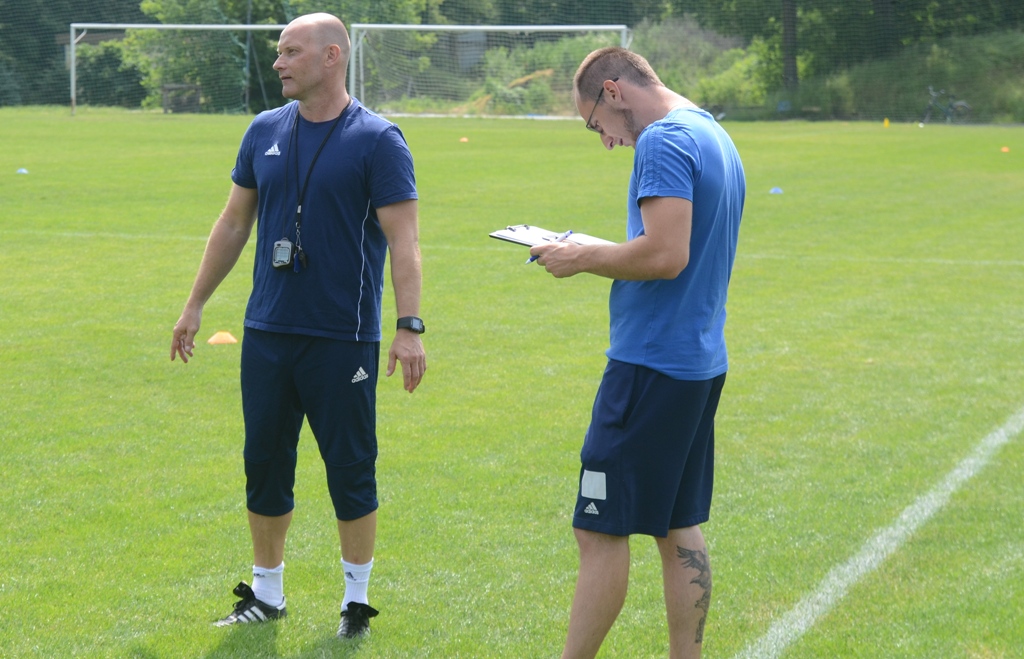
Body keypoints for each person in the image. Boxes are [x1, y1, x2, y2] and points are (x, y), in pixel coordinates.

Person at [169, 12, 426, 639]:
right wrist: (195, 303)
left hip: (343, 336)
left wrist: (409, 326)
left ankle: (356, 602)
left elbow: (405, 241)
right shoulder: (263, 130)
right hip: (268, 331)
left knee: (350, 467)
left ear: (332, 56)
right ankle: (266, 594)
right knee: (264, 462)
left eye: (290, 51)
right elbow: (234, 223)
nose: (278, 62)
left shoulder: (379, 140)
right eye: (279, 52)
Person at [529, 47, 744, 659]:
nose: (605, 140)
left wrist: (581, 257)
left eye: (595, 124)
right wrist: (594, 247)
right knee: (678, 525)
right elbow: (674, 246)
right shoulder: (711, 132)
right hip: (697, 361)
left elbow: (666, 255)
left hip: (650, 364)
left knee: (598, 530)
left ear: (613, 91)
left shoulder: (663, 141)